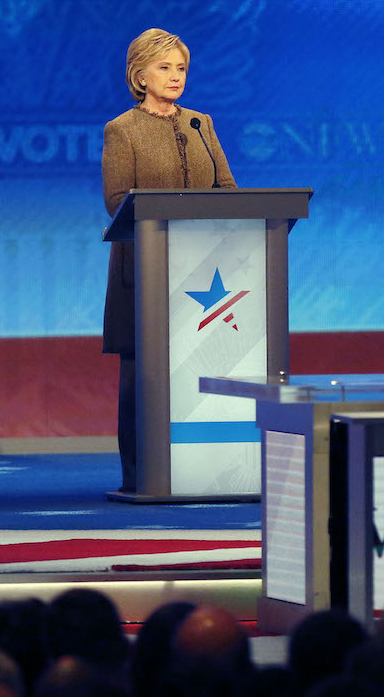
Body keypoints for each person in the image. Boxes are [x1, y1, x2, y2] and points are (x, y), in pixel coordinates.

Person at [100, 28, 236, 493]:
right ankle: (141, 476)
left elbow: (228, 193)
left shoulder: (201, 123)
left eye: (180, 68)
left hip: (203, 270)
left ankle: (206, 472)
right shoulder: (123, 130)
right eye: (164, 67)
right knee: (144, 377)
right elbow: (118, 200)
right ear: (140, 76)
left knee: (201, 368)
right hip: (146, 270)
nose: (175, 76)